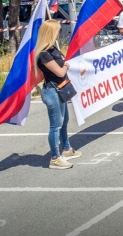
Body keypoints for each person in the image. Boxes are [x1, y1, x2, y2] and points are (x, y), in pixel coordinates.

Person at [35, 19, 82, 169]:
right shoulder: (44, 54)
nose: (60, 33)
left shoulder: (53, 49)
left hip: (60, 89)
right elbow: (60, 72)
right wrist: (67, 65)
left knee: (64, 121)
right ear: (51, 32)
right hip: (52, 91)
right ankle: (55, 158)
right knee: (56, 125)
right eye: (58, 30)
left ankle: (66, 149)